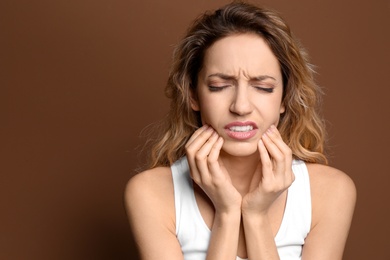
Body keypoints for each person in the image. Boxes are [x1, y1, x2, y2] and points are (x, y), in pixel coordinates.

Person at [125, 2, 356, 259]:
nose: (241, 106)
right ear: (193, 95)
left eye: (263, 87)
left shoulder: (330, 192)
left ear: (284, 99)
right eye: (220, 86)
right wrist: (227, 212)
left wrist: (255, 217)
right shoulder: (150, 194)